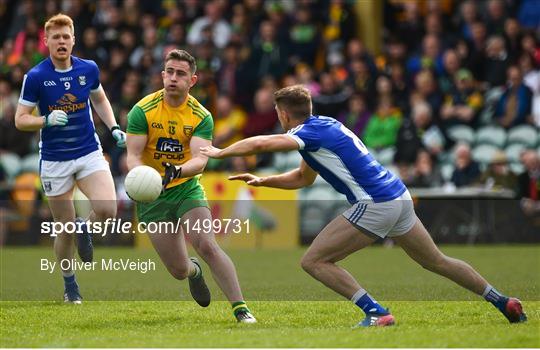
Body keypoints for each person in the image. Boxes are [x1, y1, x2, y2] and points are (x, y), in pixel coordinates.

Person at [200, 85, 527, 327]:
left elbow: (260, 142)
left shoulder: (305, 133)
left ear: (283, 114)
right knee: (437, 261)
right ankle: (502, 301)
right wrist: (263, 181)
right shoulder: (326, 125)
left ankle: (376, 312)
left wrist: (219, 153)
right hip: (398, 196)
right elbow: (304, 178)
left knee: (314, 261)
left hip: (375, 202)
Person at [125, 49, 255, 323]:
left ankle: (241, 310)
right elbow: (133, 155)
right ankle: (194, 272)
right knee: (178, 270)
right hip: (152, 196)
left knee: (206, 245)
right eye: (169, 72)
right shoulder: (142, 110)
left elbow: (200, 161)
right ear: (162, 75)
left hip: (185, 187)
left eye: (180, 73)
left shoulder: (201, 115)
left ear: (192, 80)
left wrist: (176, 172)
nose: (173, 78)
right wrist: (140, 178)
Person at [14, 14, 126, 304]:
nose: (61, 41)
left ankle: (84, 226)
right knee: (62, 227)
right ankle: (70, 285)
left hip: (88, 151)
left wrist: (113, 126)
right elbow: (20, 119)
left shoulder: (88, 69)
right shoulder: (36, 77)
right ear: (47, 41)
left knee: (108, 210)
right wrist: (46, 120)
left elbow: (99, 98)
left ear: (73, 40)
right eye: (56, 37)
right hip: (54, 160)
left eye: (66, 36)